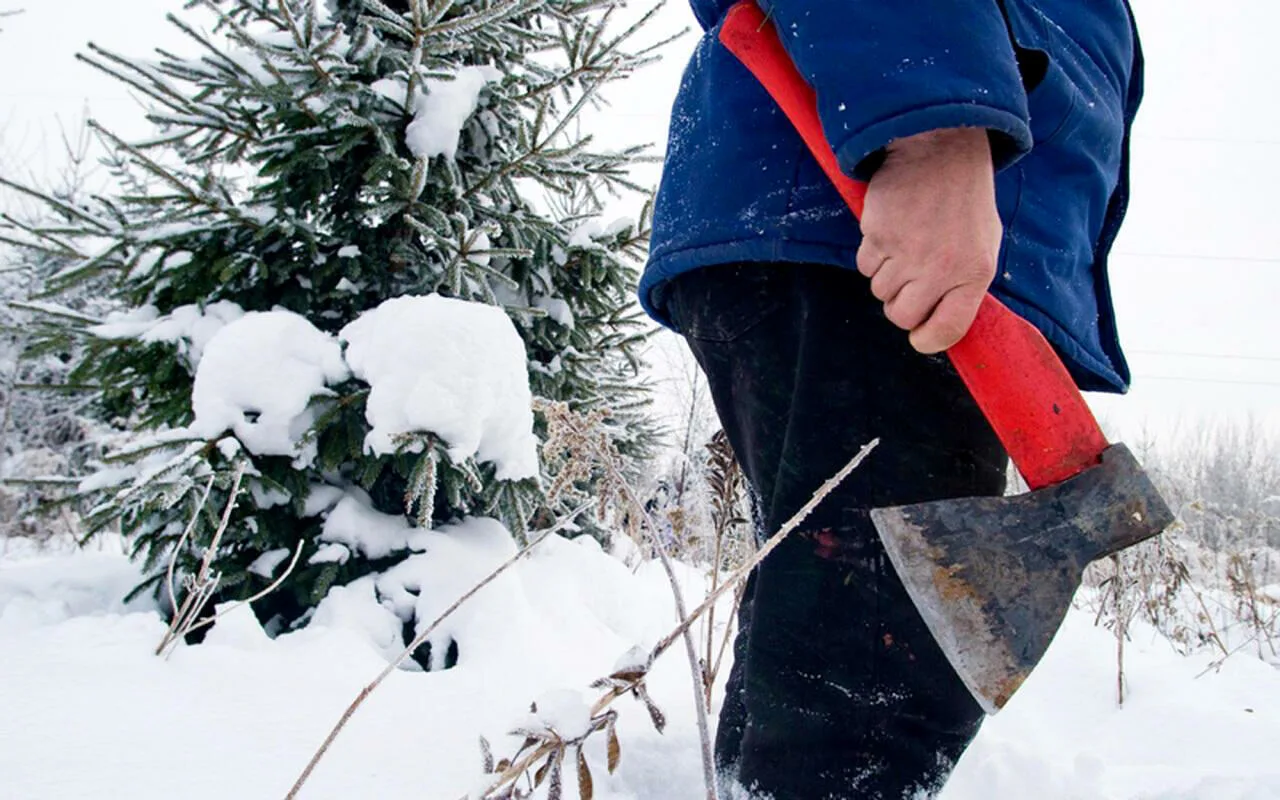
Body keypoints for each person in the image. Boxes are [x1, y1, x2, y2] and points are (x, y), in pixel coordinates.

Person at [637, 1, 1144, 798]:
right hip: (866, 216)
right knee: (865, 697)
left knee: (827, 665)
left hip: (839, 221)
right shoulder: (925, 131)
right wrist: (930, 125)